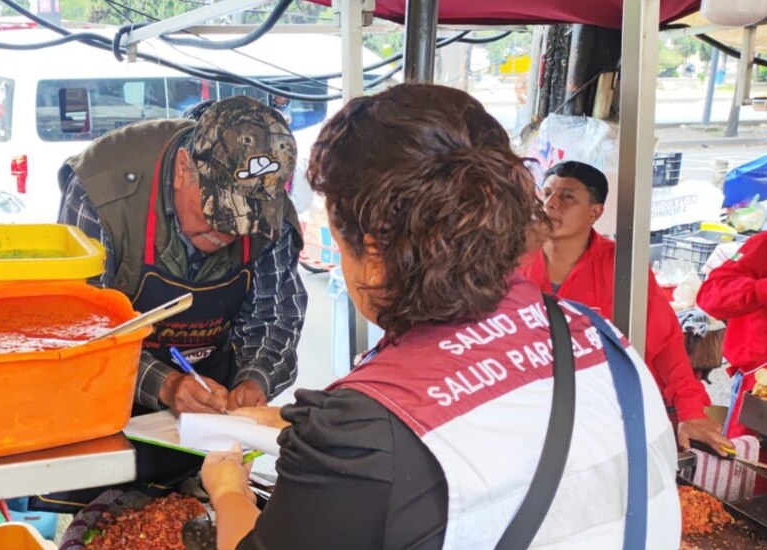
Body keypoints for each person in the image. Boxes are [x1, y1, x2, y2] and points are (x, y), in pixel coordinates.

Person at [200, 84, 679, 549]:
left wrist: (227, 489)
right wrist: (291, 424)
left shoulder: (361, 433)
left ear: (371, 255)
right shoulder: (599, 334)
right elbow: (492, 442)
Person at [58, 95, 306, 417]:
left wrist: (255, 379)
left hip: (212, 405)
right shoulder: (102, 190)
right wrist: (166, 385)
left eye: (246, 224)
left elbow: (276, 318)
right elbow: (82, 332)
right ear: (182, 169)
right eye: (220, 214)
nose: (229, 233)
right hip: (107, 404)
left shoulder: (271, 214)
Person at [518, 160, 732, 454]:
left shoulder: (620, 267)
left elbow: (666, 341)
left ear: (595, 212)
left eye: (568, 196)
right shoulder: (513, 256)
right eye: (547, 193)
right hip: (525, 406)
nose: (551, 204)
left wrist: (691, 410)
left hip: (601, 411)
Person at [697, 231, 767, 438]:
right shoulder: (760, 246)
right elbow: (711, 293)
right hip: (757, 390)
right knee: (749, 464)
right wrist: (760, 290)